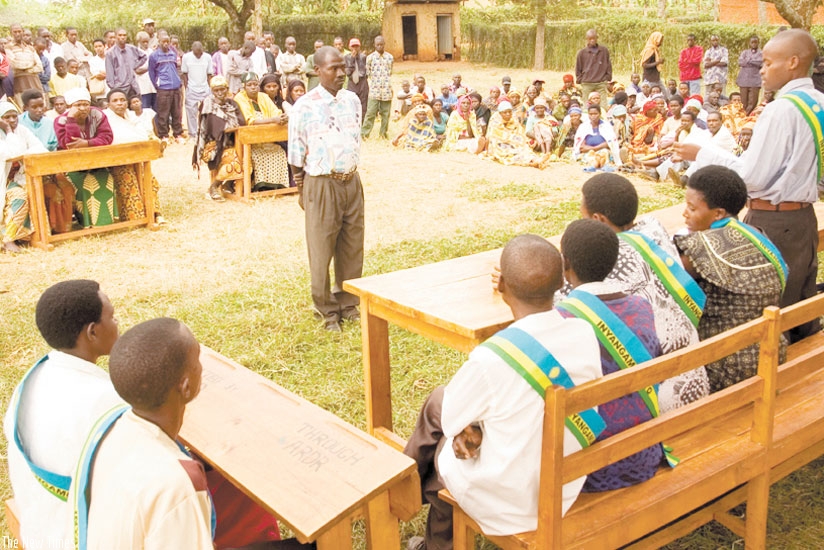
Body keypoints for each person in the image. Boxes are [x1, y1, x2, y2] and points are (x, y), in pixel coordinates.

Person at [403, 234, 603, 550]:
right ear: (561, 280)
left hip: (513, 504)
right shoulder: (583, 332)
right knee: (448, 416)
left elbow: (454, 422)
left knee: (444, 440)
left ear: (501, 286)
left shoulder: (492, 358)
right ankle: (409, 501)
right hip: (563, 486)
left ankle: (407, 503)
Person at [675, 29, 823, 343]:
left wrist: (702, 152)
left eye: (768, 63)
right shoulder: (817, 103)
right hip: (803, 217)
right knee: (801, 308)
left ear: (793, 63)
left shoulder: (782, 109)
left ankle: (776, 386)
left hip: (774, 219)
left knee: (766, 313)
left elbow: (752, 178)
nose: (761, 70)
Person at [574, 174, 709, 411]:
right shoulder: (653, 230)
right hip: (695, 381)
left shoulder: (607, 257)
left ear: (598, 219)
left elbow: (559, 300)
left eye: (583, 216)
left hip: (656, 400)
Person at [4, 280, 120, 548]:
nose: (117, 324)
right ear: (92, 332)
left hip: (38, 527)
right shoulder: (104, 401)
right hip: (78, 538)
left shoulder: (32, 380)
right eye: (112, 317)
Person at [555, 219, 667, 484]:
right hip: (642, 454)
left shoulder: (561, 321)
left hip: (587, 471)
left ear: (565, 263)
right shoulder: (641, 308)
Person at [674, 166, 786, 391]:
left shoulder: (701, 247)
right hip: (771, 353)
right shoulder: (756, 233)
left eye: (692, 207)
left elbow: (664, 279)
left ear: (718, 214)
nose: (685, 213)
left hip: (723, 366)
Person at [288, 46, 364, 332]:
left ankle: (348, 302)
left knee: (352, 245)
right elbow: (296, 152)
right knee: (321, 248)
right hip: (320, 183)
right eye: (334, 68)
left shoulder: (352, 100)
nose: (341, 74)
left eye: (343, 67)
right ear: (317, 71)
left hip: (351, 181)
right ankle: (326, 309)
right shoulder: (304, 106)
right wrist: (300, 189)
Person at [55, 87, 116, 228]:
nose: (82, 108)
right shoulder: (61, 120)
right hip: (72, 167)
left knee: (106, 181)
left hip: (97, 163)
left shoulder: (98, 114)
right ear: (70, 106)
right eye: (78, 105)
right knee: (83, 186)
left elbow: (107, 137)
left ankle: (106, 222)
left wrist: (87, 143)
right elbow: (69, 144)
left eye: (86, 104)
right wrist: (71, 119)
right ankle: (85, 222)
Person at [104, 89, 165, 224]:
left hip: (138, 158)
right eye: (115, 101)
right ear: (108, 104)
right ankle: (137, 218)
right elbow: (117, 139)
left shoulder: (131, 116)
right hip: (118, 161)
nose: (119, 103)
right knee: (129, 181)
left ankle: (154, 213)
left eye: (122, 100)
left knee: (149, 181)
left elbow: (143, 135)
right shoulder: (105, 118)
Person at [19, 90, 76, 234]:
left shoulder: (50, 123)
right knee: (52, 192)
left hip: (50, 167)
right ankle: (47, 229)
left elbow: (55, 147)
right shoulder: (18, 123)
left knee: (67, 188)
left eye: (41, 106)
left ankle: (63, 229)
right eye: (34, 107)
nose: (39, 110)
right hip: (26, 171)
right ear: (25, 107)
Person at [0, 101, 47, 252]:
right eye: (7, 117)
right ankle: (8, 239)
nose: (12, 120)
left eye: (14, 116)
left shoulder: (22, 130)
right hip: (4, 179)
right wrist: (7, 130)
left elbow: (40, 147)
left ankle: (38, 235)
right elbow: (9, 154)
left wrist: (23, 155)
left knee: (42, 190)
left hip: (21, 176)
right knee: (18, 197)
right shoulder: (7, 131)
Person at [234, 72, 289, 190]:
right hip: (251, 140)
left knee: (279, 151)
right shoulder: (240, 98)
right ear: (244, 86)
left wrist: (282, 118)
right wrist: (273, 120)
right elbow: (250, 121)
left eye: (255, 84)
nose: (253, 87)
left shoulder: (263, 97)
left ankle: (276, 186)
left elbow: (275, 112)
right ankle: (260, 186)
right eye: (249, 85)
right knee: (258, 155)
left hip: (267, 138)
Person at [193, 75, 244, 201]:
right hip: (213, 146)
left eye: (222, 89)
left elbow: (241, 123)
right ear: (212, 91)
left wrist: (230, 128)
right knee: (233, 160)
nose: (220, 93)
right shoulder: (207, 106)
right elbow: (210, 130)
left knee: (249, 159)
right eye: (216, 90)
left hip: (233, 143)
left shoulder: (232, 104)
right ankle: (214, 187)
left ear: (227, 89)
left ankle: (228, 184)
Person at [486, 101, 547, 168]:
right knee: (512, 153)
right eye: (505, 112)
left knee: (525, 148)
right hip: (499, 144)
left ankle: (535, 160)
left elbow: (519, 131)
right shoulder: (495, 120)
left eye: (509, 111)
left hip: (515, 142)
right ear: (500, 113)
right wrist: (511, 140)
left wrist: (523, 140)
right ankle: (532, 162)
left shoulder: (513, 118)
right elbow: (496, 136)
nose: (508, 114)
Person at [149, 30, 184, 143]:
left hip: (175, 87)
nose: (166, 44)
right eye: (163, 41)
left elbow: (177, 67)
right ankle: (164, 135)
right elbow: (151, 72)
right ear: (158, 41)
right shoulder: (154, 55)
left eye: (167, 41)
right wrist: (157, 85)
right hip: (163, 88)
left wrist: (178, 82)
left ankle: (178, 133)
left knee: (176, 112)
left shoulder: (173, 53)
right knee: (163, 113)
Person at [573, 104, 621, 171]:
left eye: (595, 114)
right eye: (591, 114)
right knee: (592, 156)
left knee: (604, 153)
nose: (593, 116)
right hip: (588, 152)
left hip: (603, 150)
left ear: (600, 114)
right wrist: (593, 149)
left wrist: (595, 148)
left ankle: (597, 165)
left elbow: (610, 143)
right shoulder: (583, 126)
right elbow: (581, 147)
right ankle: (598, 165)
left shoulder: (606, 126)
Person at [182, 41, 214, 139]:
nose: (198, 55)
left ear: (203, 51)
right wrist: (187, 87)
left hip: (205, 88)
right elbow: (184, 74)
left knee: (207, 111)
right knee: (191, 112)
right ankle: (193, 134)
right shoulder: (186, 57)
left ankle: (206, 132)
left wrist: (210, 88)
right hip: (191, 89)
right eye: (196, 54)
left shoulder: (208, 57)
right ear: (192, 51)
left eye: (200, 53)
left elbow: (209, 74)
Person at [362, 35, 393, 140]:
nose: (380, 46)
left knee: (386, 114)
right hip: (374, 90)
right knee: (370, 113)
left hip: (387, 90)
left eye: (381, 44)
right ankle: (364, 134)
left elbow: (390, 71)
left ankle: (383, 134)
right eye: (377, 45)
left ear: (384, 44)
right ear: (374, 45)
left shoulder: (390, 57)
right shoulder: (370, 58)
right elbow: (368, 73)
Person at [7, 23, 44, 105]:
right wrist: (31, 64)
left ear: (22, 32)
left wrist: (25, 69)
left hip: (34, 82)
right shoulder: (8, 47)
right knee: (22, 107)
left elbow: (39, 66)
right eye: (15, 32)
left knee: (38, 106)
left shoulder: (30, 48)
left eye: (19, 31)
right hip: (20, 83)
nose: (17, 34)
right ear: (11, 33)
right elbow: (14, 64)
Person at [105, 28, 146, 99]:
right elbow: (109, 75)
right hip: (120, 88)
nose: (122, 37)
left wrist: (135, 66)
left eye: (124, 35)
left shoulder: (131, 48)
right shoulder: (110, 53)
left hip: (133, 86)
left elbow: (144, 57)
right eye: (120, 35)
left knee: (136, 107)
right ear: (116, 37)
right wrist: (114, 89)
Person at [575, 29, 612, 99]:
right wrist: (581, 80)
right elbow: (578, 68)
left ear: (597, 38)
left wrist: (607, 78)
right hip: (587, 83)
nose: (592, 40)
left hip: (601, 83)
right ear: (587, 39)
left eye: (594, 38)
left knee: (603, 106)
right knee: (586, 106)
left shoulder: (604, 51)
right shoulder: (582, 53)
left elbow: (609, 65)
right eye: (590, 39)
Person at [737, 36, 763, 114]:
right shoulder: (745, 52)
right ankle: (743, 117)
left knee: (753, 102)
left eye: (755, 42)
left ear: (758, 43)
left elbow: (761, 63)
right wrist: (753, 62)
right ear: (749, 43)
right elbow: (741, 62)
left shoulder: (761, 53)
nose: (754, 44)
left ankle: (748, 117)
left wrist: (748, 61)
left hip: (755, 81)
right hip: (744, 80)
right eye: (752, 42)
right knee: (743, 102)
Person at [344, 38, 368, 120]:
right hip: (352, 82)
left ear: (359, 47)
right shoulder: (346, 58)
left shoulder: (364, 57)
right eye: (353, 46)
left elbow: (366, 71)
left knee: (363, 103)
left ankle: (362, 122)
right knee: (351, 103)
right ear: (349, 47)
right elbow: (347, 72)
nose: (355, 49)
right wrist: (352, 59)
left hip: (362, 82)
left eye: (356, 46)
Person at [134, 32, 155, 109]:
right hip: (143, 87)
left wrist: (147, 68)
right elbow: (137, 70)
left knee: (155, 111)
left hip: (153, 86)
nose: (146, 44)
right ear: (139, 42)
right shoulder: (135, 53)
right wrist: (150, 67)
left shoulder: (152, 52)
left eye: (147, 42)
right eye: (143, 42)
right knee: (145, 108)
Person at [87, 38, 108, 104]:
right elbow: (98, 75)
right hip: (101, 92)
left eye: (100, 46)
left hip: (112, 90)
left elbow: (116, 72)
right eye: (96, 47)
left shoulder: (110, 57)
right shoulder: (92, 60)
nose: (98, 48)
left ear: (105, 46)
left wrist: (104, 72)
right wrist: (110, 73)